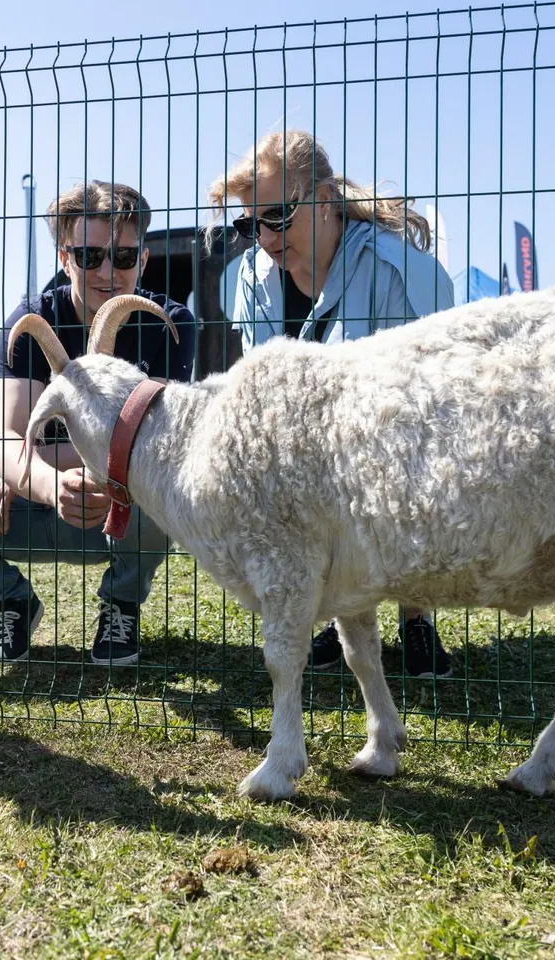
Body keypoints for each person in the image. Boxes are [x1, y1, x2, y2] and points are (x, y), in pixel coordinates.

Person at [209, 129, 456, 678]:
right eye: (249, 225)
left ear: (323, 201)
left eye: (277, 217)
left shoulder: (400, 274)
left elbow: (425, 398)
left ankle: (416, 617)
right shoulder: (246, 279)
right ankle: (339, 614)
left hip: (394, 432)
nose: (265, 238)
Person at [0, 181, 197, 665]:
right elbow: (4, 436)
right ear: (65, 258)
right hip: (41, 501)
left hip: (122, 506)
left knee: (161, 486)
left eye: (122, 257)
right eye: (89, 255)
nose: (107, 271)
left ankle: (122, 603)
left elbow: (154, 446)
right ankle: (9, 600)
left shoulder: (170, 322)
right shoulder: (31, 319)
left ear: (143, 260)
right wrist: (44, 482)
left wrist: (24, 468)